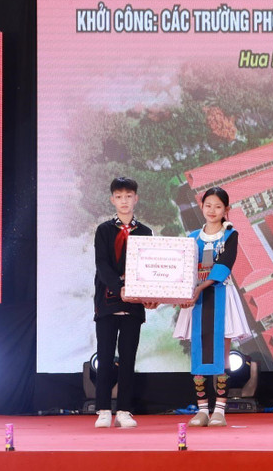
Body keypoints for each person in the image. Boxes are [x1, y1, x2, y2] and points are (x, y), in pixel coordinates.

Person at [173, 186, 252, 427]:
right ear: (202, 206)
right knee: (198, 354)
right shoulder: (192, 237)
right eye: (208, 205)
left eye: (218, 206)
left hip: (220, 296)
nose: (212, 210)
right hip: (195, 300)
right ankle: (201, 410)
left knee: (222, 356)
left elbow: (225, 264)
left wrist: (201, 286)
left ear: (226, 210)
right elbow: (184, 268)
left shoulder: (231, 234)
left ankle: (219, 410)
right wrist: (183, 290)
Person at [93, 177, 155, 428]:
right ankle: (104, 410)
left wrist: (152, 295)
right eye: (119, 197)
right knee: (106, 356)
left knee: (128, 357)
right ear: (112, 200)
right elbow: (102, 265)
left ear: (136, 198)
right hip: (108, 301)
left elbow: (151, 268)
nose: (124, 201)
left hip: (134, 303)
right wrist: (120, 288)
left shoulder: (146, 232)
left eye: (129, 196)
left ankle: (125, 411)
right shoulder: (104, 230)